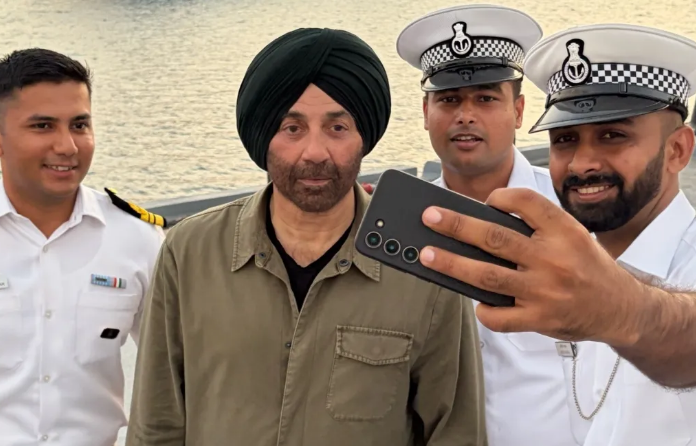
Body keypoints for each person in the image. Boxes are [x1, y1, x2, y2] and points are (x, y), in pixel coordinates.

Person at [125, 28, 486, 446]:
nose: (315, 152)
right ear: (264, 136)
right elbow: (156, 425)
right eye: (292, 128)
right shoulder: (189, 253)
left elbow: (456, 433)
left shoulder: (425, 267)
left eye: (337, 128)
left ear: (363, 138)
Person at [414, 22, 696, 441]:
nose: (582, 163)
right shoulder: (575, 259)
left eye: (613, 135)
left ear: (677, 150)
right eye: (565, 139)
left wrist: (620, 310)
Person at [0, 48, 166, 446]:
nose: (67, 146)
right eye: (43, 126)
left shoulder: (139, 240)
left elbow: (179, 369)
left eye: (80, 125)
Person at [395, 6, 577, 446]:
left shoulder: (571, 215)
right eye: (449, 99)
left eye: (486, 98)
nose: (466, 115)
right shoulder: (400, 227)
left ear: (519, 110)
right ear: (425, 111)